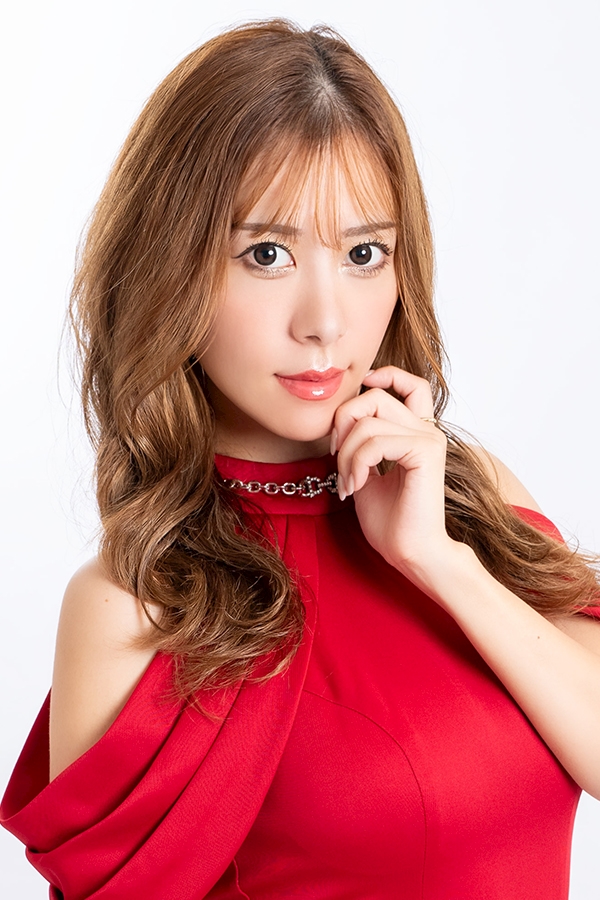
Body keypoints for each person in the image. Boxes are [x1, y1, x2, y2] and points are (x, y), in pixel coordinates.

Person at [2, 18, 600, 900]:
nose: (325, 321)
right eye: (267, 253)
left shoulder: (467, 498)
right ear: (171, 266)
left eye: (364, 253)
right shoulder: (136, 602)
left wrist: (438, 561)